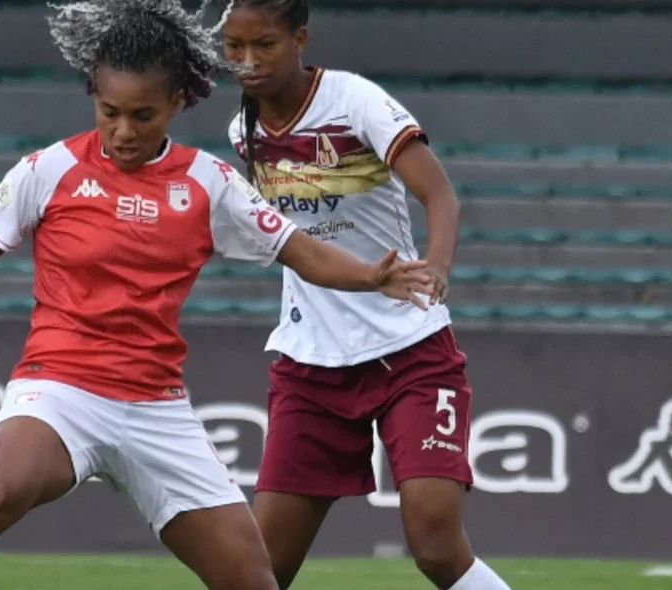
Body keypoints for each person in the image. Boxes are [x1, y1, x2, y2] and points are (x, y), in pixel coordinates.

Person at [0, 2, 436, 589]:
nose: (124, 132)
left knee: (252, 579)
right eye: (110, 112)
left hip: (156, 408)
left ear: (177, 102)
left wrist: (372, 276)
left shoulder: (210, 183)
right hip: (61, 389)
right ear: (94, 100)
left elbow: (299, 250)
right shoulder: (46, 172)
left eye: (143, 115)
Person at [221, 2, 513, 589]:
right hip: (310, 367)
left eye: (265, 45)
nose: (247, 62)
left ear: (300, 38)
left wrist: (438, 267)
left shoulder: (356, 102)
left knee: (435, 546)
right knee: (259, 572)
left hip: (409, 351)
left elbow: (441, 196)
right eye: (234, 48)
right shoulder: (243, 133)